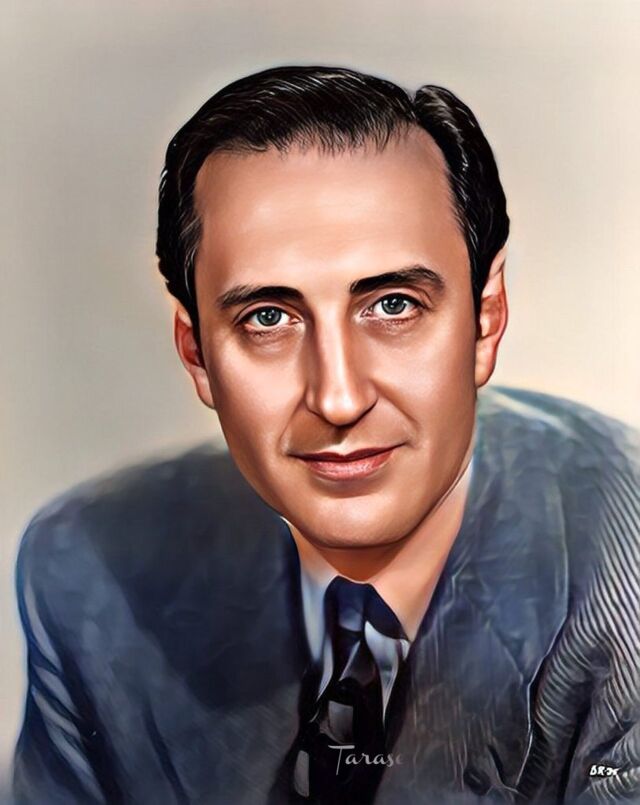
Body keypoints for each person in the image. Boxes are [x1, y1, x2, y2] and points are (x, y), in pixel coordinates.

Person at [12, 66, 639, 805]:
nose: (338, 399)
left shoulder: (624, 585)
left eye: (394, 304)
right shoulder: (90, 570)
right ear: (196, 354)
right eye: (268, 318)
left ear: (486, 317)